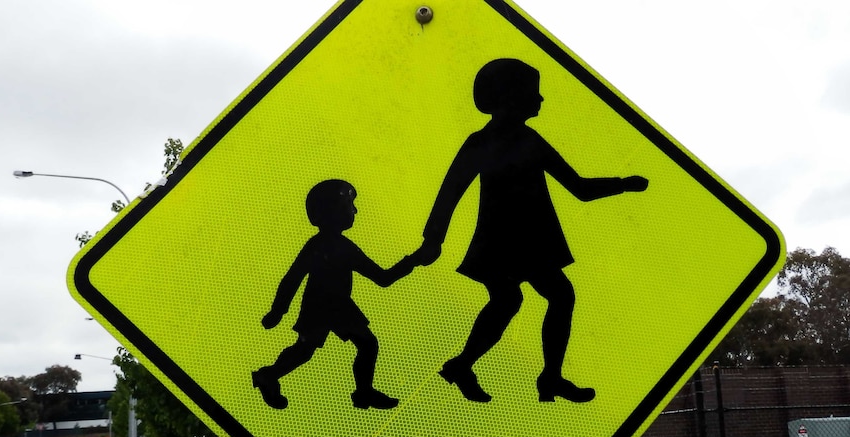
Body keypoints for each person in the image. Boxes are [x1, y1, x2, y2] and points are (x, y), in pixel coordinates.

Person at [413, 58, 649, 404]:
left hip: (533, 241)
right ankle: (474, 366)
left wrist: (622, 184)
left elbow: (578, 187)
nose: (540, 101)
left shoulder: (530, 139)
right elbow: (450, 192)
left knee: (546, 297)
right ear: (511, 96)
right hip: (501, 241)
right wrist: (433, 240)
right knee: (517, 299)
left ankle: (536, 375)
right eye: (533, 93)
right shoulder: (480, 142)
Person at [253, 179, 416, 410]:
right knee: (315, 349)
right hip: (323, 306)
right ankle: (270, 375)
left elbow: (382, 278)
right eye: (349, 205)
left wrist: (413, 261)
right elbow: (293, 277)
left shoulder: (341, 246)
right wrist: (277, 310)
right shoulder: (325, 245)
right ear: (333, 211)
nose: (355, 210)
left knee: (348, 346)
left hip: (336, 306)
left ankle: (362, 391)